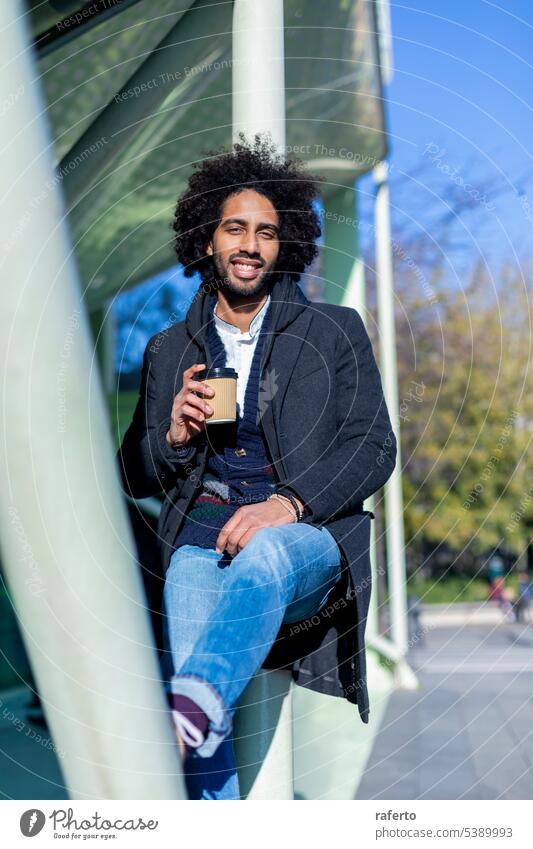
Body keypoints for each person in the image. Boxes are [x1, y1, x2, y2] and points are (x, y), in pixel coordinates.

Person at [116, 134, 397, 799]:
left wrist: (287, 504)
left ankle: (193, 701)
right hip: (198, 541)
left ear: (285, 243)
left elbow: (373, 445)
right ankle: (199, 727)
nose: (249, 244)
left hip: (305, 538)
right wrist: (174, 434)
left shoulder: (334, 329)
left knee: (264, 560)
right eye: (234, 227)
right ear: (206, 238)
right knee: (202, 748)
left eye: (266, 232)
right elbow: (133, 472)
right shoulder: (166, 349)